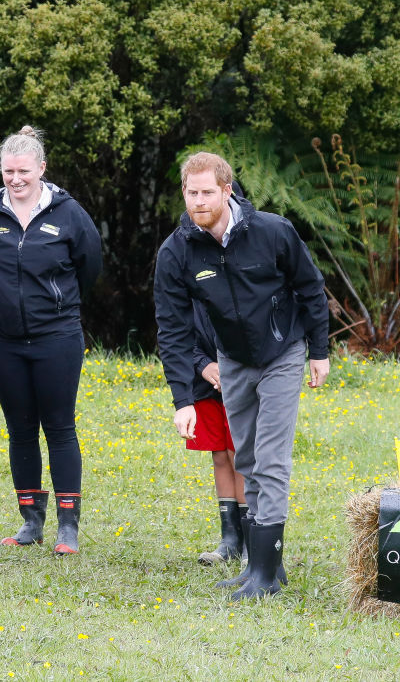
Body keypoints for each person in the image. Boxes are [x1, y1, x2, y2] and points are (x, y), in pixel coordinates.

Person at [154, 151, 330, 599]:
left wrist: (319, 351)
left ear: (227, 190)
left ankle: (266, 578)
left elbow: (310, 286)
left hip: (282, 352)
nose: (198, 201)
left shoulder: (272, 231)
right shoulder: (177, 251)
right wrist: (183, 399)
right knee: (246, 458)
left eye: (207, 192)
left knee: (269, 459)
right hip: (231, 359)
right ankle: (260, 564)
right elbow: (172, 329)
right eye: (191, 193)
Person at [0, 126, 102, 555]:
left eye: (24, 170)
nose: (16, 178)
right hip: (2, 340)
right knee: (20, 430)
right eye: (8, 171)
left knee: (60, 428)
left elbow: (89, 266)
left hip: (57, 337)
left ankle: (68, 529)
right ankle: (31, 522)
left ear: (42, 168)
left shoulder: (68, 214)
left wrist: (54, 304)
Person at [189, 300, 247, 566]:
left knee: (241, 457)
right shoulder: (184, 280)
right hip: (203, 380)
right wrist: (203, 364)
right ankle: (230, 541)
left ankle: (252, 540)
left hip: (242, 374)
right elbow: (175, 332)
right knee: (220, 455)